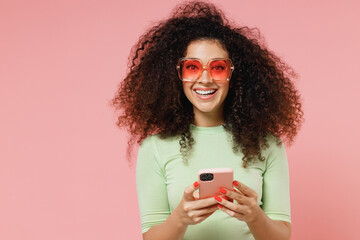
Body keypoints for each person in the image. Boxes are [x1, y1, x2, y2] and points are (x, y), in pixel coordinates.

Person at [110, 1, 303, 239]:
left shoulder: (268, 144)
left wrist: (254, 216)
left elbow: (282, 236)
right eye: (192, 67)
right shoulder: (154, 148)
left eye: (217, 68)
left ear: (233, 76)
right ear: (177, 76)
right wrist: (181, 217)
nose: (204, 79)